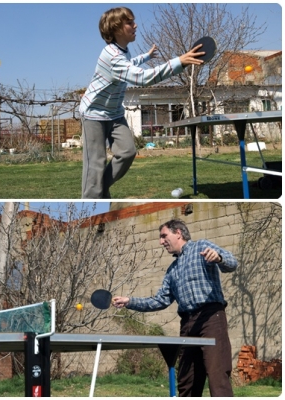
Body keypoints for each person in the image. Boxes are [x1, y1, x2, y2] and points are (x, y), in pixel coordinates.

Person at [80, 7, 205, 198]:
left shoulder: (123, 52)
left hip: (114, 114)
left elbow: (131, 63)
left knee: (128, 152)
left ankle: (98, 190)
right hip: (94, 114)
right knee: (95, 164)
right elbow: (143, 78)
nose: (135, 25)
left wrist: (147, 56)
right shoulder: (111, 56)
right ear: (116, 28)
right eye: (130, 22)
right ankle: (91, 202)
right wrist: (179, 61)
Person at [113, 219, 238, 397]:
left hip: (211, 318)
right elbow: (159, 301)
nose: (160, 241)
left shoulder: (201, 246)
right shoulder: (172, 270)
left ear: (178, 233)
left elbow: (232, 263)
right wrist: (129, 301)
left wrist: (218, 258)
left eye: (164, 236)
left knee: (217, 376)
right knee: (186, 382)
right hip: (187, 324)